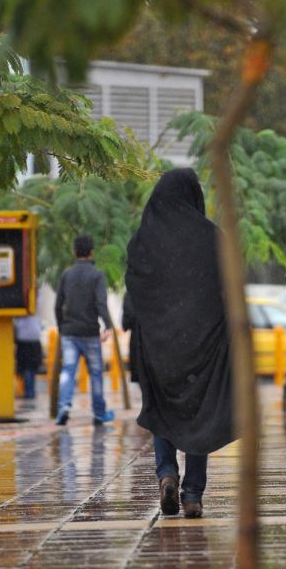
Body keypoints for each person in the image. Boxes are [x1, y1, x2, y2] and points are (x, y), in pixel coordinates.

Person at [125, 168, 233, 519]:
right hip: (200, 345)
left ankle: (167, 473)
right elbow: (226, 292)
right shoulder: (211, 238)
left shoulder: (143, 241)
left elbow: (135, 293)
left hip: (157, 346)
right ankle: (191, 494)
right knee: (197, 415)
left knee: (162, 411)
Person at [54, 235, 114, 426]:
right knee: (95, 374)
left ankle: (64, 406)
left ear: (74, 252)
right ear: (91, 252)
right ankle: (98, 413)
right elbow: (100, 303)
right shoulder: (97, 275)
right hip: (89, 332)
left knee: (68, 371)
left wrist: (62, 327)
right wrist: (108, 325)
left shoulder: (66, 274)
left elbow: (57, 305)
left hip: (69, 332)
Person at [14, 314, 42, 400]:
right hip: (34, 339)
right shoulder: (34, 308)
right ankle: (31, 391)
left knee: (26, 368)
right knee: (31, 368)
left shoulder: (21, 311)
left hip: (23, 339)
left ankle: (28, 392)